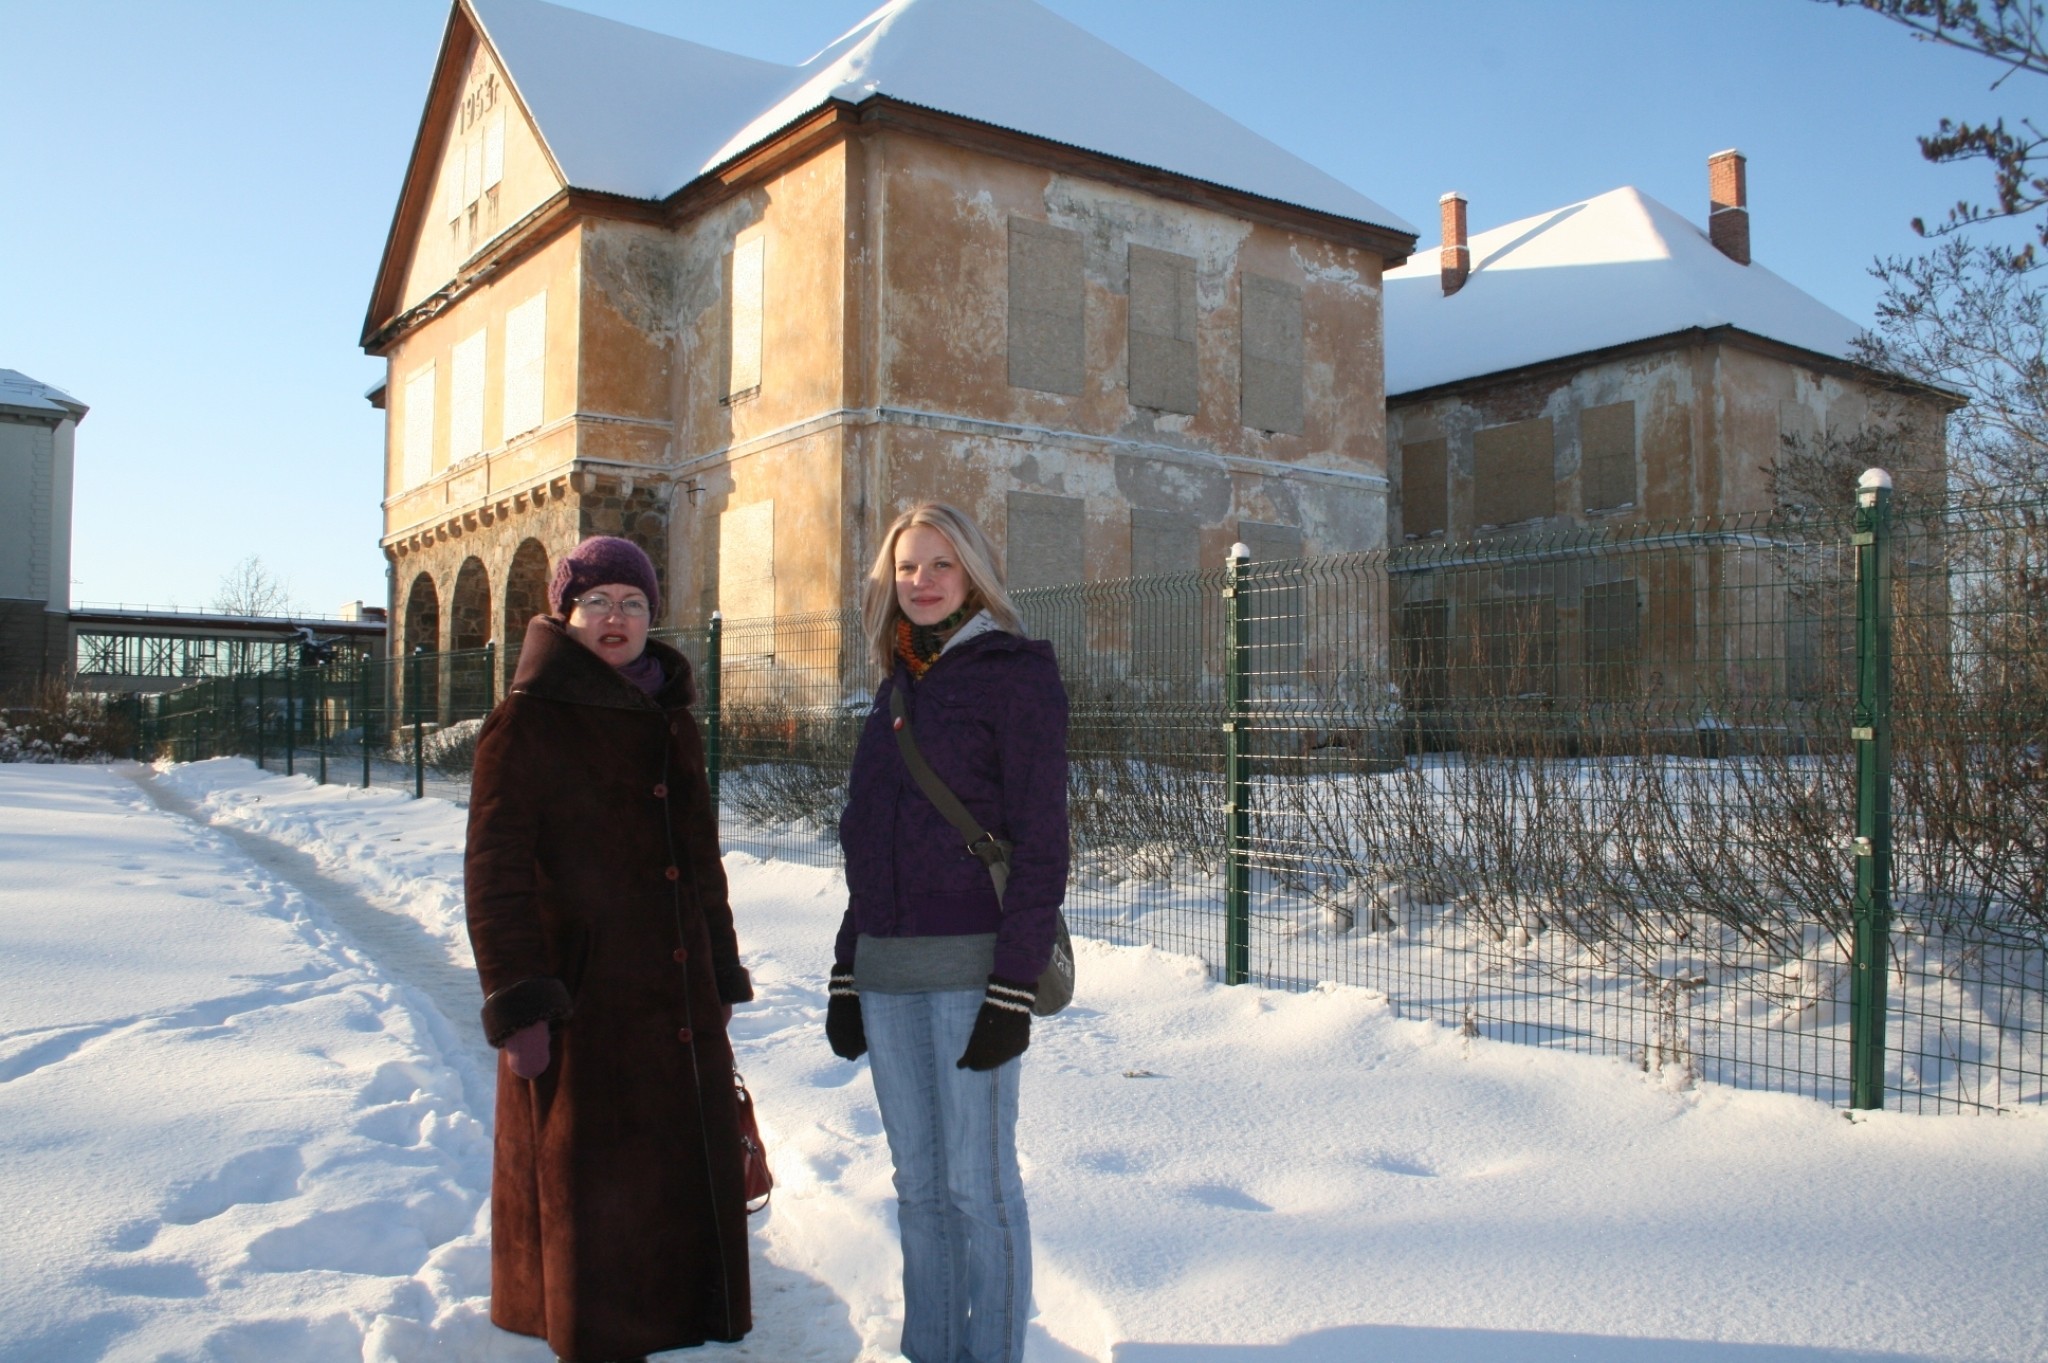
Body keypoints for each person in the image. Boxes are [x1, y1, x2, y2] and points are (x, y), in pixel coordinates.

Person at [464, 535, 754, 1363]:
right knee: (592, 1199)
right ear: (567, 613)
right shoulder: (527, 718)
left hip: (674, 993)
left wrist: (719, 965)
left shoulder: (670, 716)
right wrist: (521, 998)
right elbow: (494, 872)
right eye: (597, 602)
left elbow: (701, 858)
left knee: (671, 1191)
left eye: (632, 603)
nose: (616, 618)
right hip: (581, 1001)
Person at [828, 502, 1071, 1363]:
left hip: (975, 973)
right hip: (889, 976)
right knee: (919, 1186)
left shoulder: (1017, 673)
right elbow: (868, 835)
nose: (921, 582)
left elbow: (1042, 844)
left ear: (973, 573)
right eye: (906, 568)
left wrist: (1013, 983)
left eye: (940, 564)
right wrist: (846, 968)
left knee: (979, 1187)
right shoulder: (893, 689)